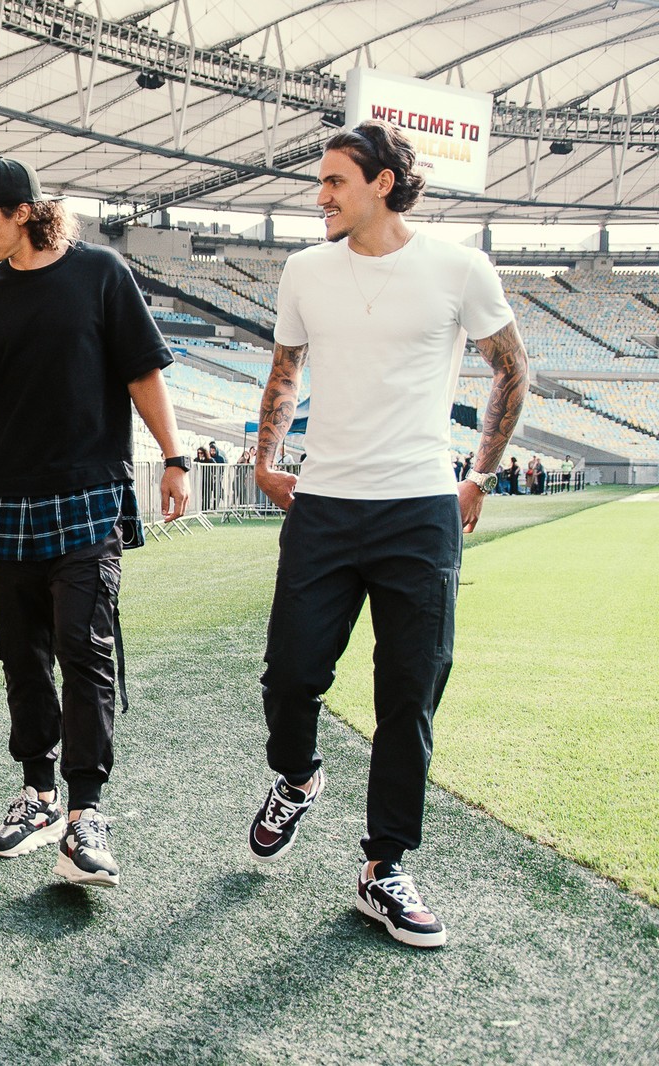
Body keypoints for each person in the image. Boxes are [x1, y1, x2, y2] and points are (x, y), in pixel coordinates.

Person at [246, 120, 527, 948]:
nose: (321, 196)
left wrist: (478, 473)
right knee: (290, 677)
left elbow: (511, 365)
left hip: (418, 508)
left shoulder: (458, 267)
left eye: (335, 182)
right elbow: (284, 370)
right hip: (324, 505)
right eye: (320, 182)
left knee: (410, 694)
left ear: (382, 184)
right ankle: (297, 777)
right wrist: (265, 460)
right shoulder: (305, 269)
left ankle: (384, 866)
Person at [0, 157, 191, 889]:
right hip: (8, 501)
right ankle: (38, 795)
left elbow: (143, 374)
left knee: (84, 643)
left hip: (90, 493)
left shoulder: (101, 273)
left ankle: (86, 814)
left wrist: (175, 457)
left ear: (23, 213)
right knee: (21, 651)